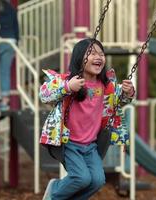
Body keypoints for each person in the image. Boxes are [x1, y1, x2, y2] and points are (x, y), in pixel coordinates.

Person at [39, 38, 135, 200]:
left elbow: (121, 101)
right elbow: (44, 94)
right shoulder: (69, 81)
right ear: (79, 59)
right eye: (92, 53)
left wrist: (128, 92)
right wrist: (68, 87)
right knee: (81, 178)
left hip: (90, 145)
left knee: (97, 181)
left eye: (101, 54)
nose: (98, 57)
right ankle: (54, 192)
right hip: (70, 143)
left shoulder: (106, 86)